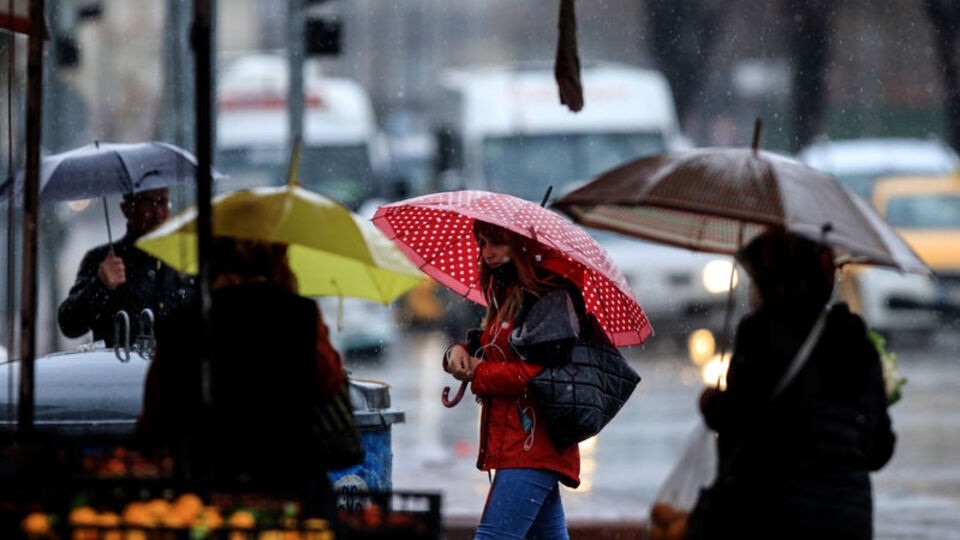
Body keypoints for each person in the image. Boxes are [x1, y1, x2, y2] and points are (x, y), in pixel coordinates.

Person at [695, 229, 896, 540]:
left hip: (772, 515)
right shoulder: (856, 342)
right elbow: (878, 451)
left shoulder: (759, 334)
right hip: (846, 521)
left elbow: (739, 422)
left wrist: (711, 403)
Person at [137, 237, 352, 518]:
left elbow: (155, 413)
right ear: (274, 258)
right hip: (289, 484)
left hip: (205, 493)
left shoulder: (183, 323)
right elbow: (329, 381)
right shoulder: (297, 313)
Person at [444, 221, 584, 540]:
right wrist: (456, 353)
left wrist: (478, 371)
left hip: (534, 442)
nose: (486, 253)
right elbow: (497, 349)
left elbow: (537, 375)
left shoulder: (548, 297)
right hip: (518, 443)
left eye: (497, 243)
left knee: (494, 537)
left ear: (521, 245)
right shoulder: (507, 291)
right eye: (482, 243)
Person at [58, 188, 195, 346]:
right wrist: (101, 285)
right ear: (126, 209)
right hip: (120, 368)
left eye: (163, 202)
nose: (157, 212)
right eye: (146, 203)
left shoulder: (186, 259)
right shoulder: (102, 260)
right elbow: (69, 324)